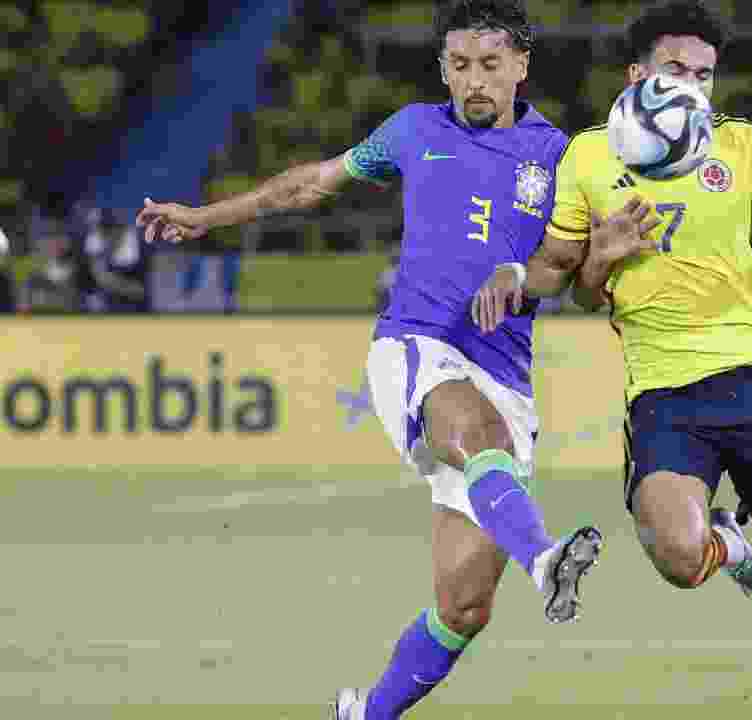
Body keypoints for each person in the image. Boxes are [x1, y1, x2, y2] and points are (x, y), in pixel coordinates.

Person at [133, 4, 604, 720]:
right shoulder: (414, 129)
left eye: (488, 64)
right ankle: (546, 559)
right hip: (416, 345)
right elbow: (308, 185)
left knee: (464, 607)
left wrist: (594, 260)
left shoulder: (561, 156)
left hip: (503, 371)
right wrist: (205, 217)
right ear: (443, 68)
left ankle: (365, 714)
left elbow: (571, 271)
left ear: (521, 66)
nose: (471, 80)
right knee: (479, 439)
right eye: (458, 65)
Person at [472, 3, 752, 718]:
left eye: (705, 74)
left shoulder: (739, 143)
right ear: (637, 74)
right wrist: (536, 274)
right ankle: (729, 551)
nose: (695, 86)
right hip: (664, 393)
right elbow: (565, 278)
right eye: (678, 70)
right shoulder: (588, 156)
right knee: (678, 559)